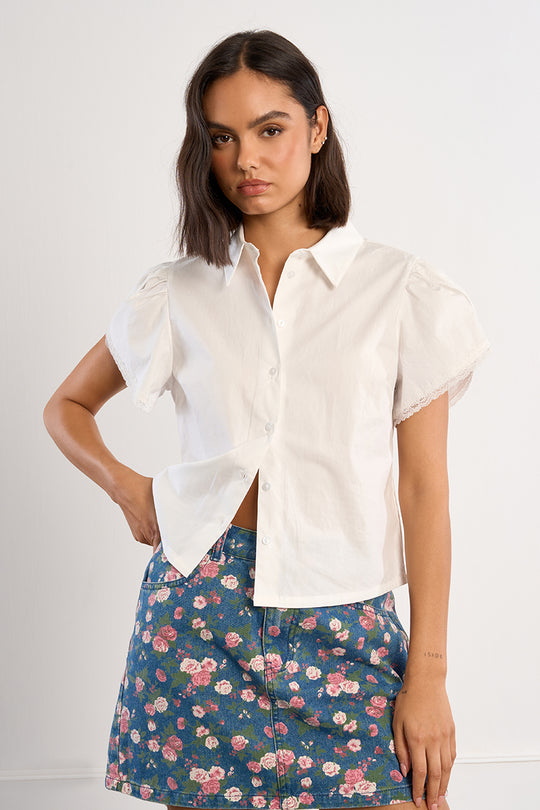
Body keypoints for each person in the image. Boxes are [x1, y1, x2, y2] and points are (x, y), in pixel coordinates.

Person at [43, 29, 491, 810]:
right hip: (198, 616)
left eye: (270, 129)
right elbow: (66, 407)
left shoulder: (400, 292)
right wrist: (129, 489)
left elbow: (424, 492)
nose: (246, 159)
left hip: (346, 617)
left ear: (317, 128)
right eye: (222, 137)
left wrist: (428, 674)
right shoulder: (181, 291)